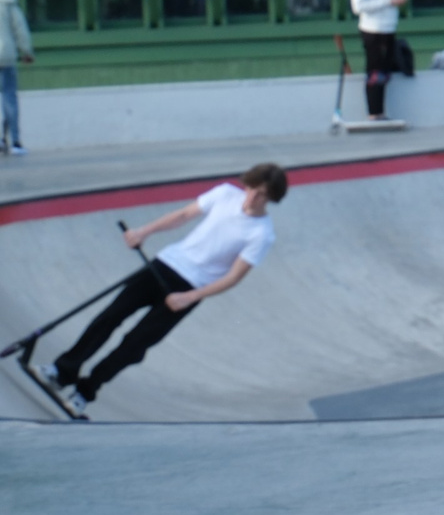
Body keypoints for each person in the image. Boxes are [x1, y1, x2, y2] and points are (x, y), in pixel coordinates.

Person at [40, 165, 289, 413]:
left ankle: (85, 391)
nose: (253, 198)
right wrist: (143, 232)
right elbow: (183, 215)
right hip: (164, 265)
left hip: (190, 289)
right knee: (110, 316)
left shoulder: (262, 234)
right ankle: (63, 371)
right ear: (246, 184)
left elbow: (234, 277)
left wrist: (192, 297)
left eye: (263, 194)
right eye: (252, 189)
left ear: (272, 198)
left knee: (134, 345)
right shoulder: (224, 194)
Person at [349, 0, 409, 122]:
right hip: (373, 30)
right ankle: (373, 112)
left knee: (385, 71)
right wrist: (388, 1)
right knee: (375, 72)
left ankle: (380, 111)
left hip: (387, 28)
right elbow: (358, 6)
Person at [0, 0, 30, 154]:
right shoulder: (8, 0)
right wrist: (26, 51)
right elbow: (20, 28)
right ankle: (16, 142)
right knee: (9, 97)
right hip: (6, 55)